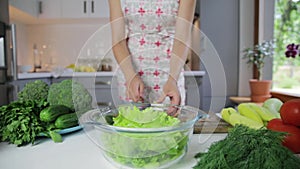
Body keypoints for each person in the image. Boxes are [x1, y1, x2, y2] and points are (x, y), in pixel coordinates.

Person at [108, 0, 196, 106]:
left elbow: (182, 39)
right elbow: (118, 41)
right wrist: (130, 76)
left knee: (171, 121)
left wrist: (172, 79)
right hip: (130, 75)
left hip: (169, 78)